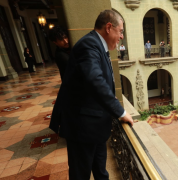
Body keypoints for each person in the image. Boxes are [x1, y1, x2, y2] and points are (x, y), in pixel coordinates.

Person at [49, 10, 134, 180]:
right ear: (109, 27)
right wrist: (121, 112)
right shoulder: (88, 45)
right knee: (80, 175)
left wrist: (109, 100)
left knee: (101, 172)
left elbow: (96, 83)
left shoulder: (98, 46)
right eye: (121, 31)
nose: (122, 36)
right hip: (82, 127)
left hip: (96, 126)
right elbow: (95, 79)